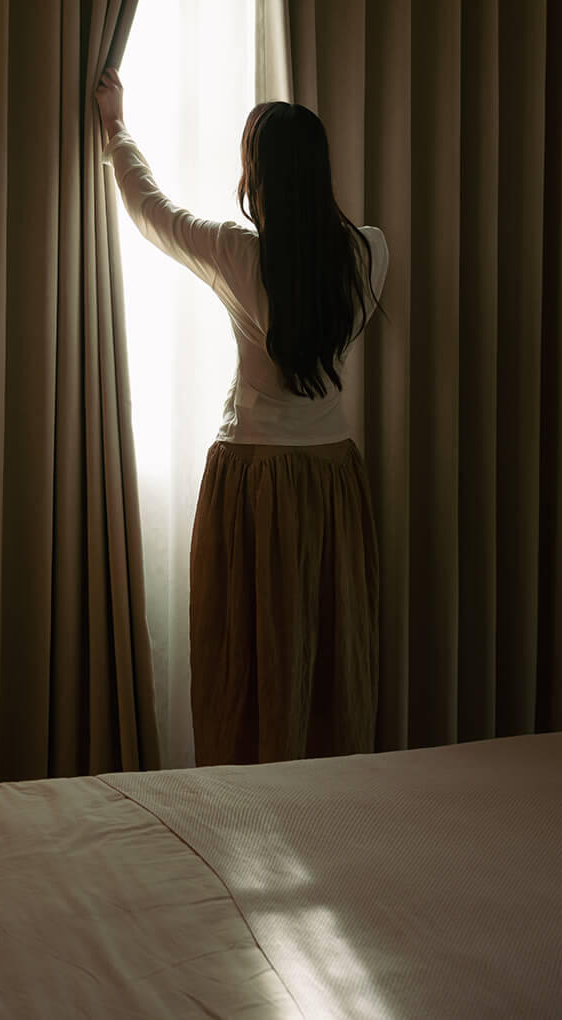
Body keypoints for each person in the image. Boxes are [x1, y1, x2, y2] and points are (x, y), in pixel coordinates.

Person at [96, 66, 389, 766]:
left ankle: (245, 817)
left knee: (247, 660)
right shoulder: (371, 253)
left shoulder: (239, 254)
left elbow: (152, 212)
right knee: (325, 659)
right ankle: (327, 817)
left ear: (259, 177)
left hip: (252, 475)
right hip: (332, 476)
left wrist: (115, 131)